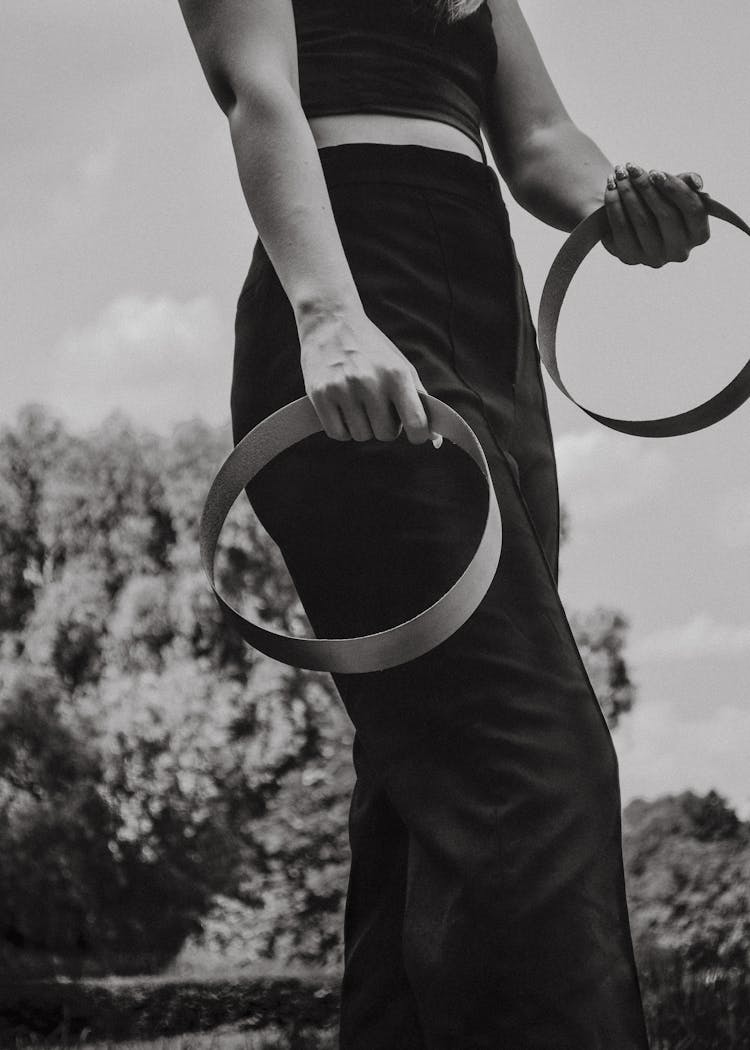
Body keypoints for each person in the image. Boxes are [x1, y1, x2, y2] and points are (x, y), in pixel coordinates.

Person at [177, 1, 710, 1046]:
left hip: (489, 319)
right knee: (532, 766)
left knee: (422, 796)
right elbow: (259, 92)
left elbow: (543, 141)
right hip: (351, 298)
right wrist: (329, 317)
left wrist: (625, 202)